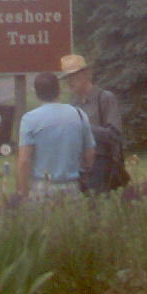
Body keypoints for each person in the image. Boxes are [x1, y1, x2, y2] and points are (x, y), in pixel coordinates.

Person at [16, 72, 95, 200]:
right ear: (59, 90)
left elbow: (24, 160)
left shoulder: (29, 119)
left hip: (41, 187)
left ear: (36, 93)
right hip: (72, 186)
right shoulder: (79, 115)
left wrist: (23, 191)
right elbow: (89, 154)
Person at [59, 53, 124, 194]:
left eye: (73, 76)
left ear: (86, 75)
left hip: (101, 164)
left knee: (98, 208)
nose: (70, 82)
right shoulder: (73, 103)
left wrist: (85, 128)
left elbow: (115, 135)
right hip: (77, 165)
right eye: (67, 78)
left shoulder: (105, 98)